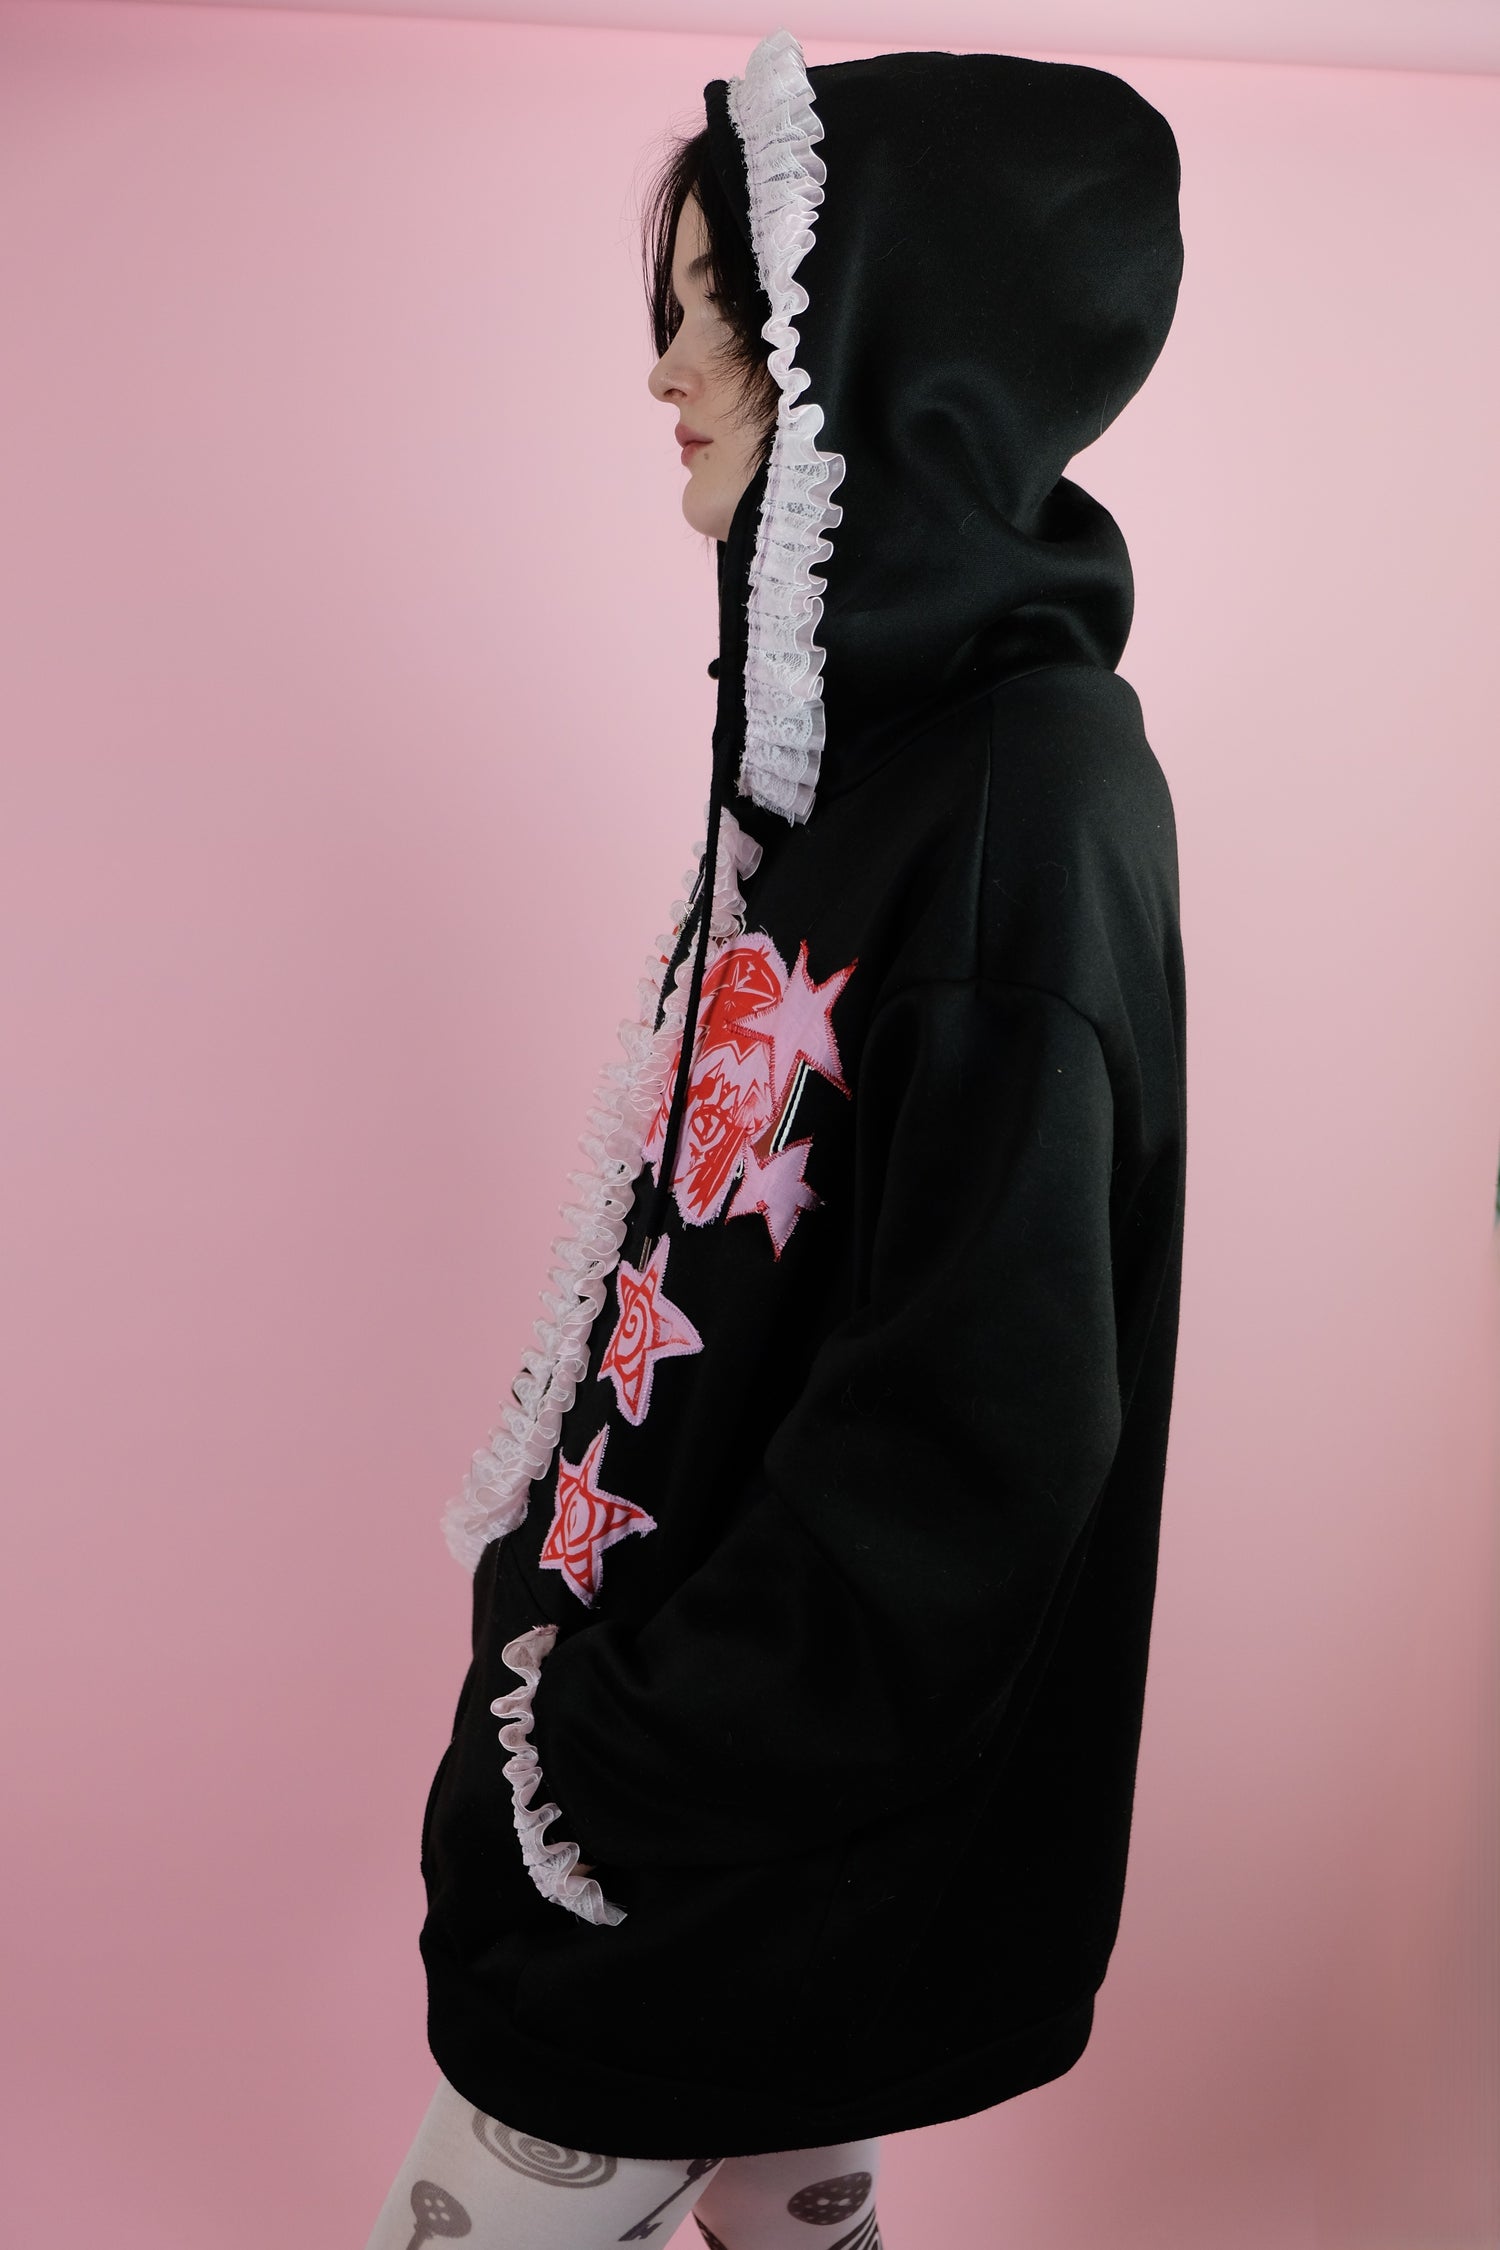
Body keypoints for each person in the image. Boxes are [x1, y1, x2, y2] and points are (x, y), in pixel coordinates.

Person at [364, 26, 1186, 2249]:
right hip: (709, 1814)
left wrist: (609, 1759)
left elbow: (981, 1434)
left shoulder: (1022, 801)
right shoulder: (856, 759)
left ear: (889, 353)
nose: (670, 371)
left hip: (712, 1856)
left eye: (725, 312)